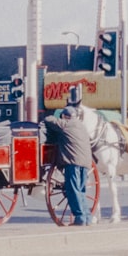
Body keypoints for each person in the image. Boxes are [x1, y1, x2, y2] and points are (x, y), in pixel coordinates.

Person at [43, 86, 95, 225]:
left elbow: (49, 120)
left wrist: (55, 116)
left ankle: (79, 217)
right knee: (82, 190)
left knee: (73, 190)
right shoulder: (81, 126)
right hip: (86, 163)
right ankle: (87, 217)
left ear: (65, 116)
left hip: (73, 162)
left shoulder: (65, 124)